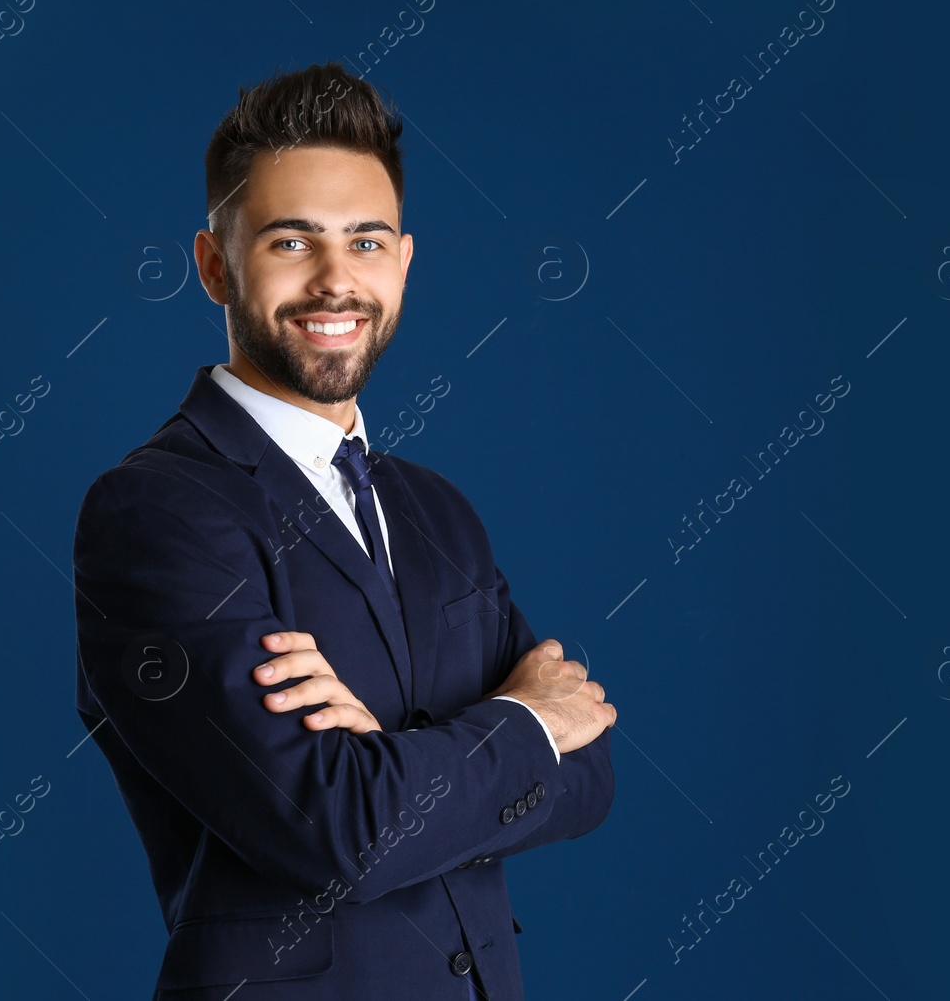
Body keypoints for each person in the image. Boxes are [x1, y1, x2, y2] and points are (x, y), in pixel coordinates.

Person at [73, 60, 616, 999]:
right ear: (215, 265)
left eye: (365, 242)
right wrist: (519, 721)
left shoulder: (437, 509)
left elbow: (592, 771)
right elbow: (341, 831)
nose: (336, 281)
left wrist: (397, 763)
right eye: (292, 241)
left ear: (403, 262)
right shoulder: (157, 513)